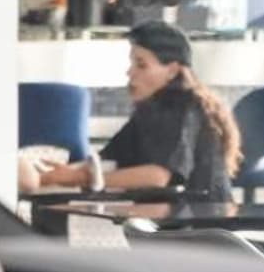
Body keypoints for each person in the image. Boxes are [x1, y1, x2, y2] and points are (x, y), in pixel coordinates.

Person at [37, 21, 241, 201]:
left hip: (200, 222)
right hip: (172, 217)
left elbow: (157, 176)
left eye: (141, 65)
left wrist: (78, 177)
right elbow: (106, 161)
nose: (130, 72)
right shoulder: (150, 110)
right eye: (132, 63)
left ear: (172, 71)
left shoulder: (181, 107)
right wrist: (50, 173)